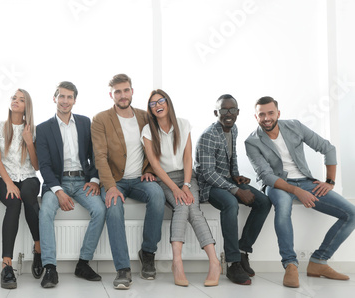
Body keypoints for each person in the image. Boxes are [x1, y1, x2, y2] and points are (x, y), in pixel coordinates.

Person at [245, 96, 355, 288]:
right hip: (278, 185)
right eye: (261, 114)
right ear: (256, 117)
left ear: (278, 113)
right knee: (284, 207)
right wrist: (296, 191)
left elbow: (328, 148)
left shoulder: (295, 126)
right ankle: (290, 264)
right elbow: (266, 175)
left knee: (351, 213)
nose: (266, 118)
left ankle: (319, 261)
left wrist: (330, 181)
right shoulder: (252, 141)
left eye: (270, 113)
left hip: (305, 181)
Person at [91, 74, 166, 290]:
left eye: (126, 90)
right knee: (113, 207)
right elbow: (100, 156)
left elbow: (156, 147)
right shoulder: (100, 119)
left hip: (140, 179)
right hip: (115, 180)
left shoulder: (145, 117)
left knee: (158, 195)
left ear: (132, 91)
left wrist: (150, 170)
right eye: (118, 92)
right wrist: (111, 187)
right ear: (111, 94)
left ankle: (148, 253)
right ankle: (122, 269)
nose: (122, 95)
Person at [141, 89, 221, 287]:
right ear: (150, 110)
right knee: (182, 205)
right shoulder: (147, 131)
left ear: (168, 103)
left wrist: (185, 185)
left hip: (186, 176)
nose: (157, 106)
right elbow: (155, 165)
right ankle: (177, 262)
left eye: (161, 101)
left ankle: (214, 262)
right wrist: (175, 189)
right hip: (164, 179)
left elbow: (187, 158)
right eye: (153, 104)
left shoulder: (183, 124)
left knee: (193, 207)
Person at [194, 94, 271, 285]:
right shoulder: (207, 136)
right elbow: (208, 173)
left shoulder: (233, 129)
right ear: (216, 113)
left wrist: (236, 176)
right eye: (223, 110)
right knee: (230, 203)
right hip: (209, 185)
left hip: (227, 180)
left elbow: (232, 156)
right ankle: (232, 263)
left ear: (237, 112)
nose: (228, 114)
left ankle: (243, 250)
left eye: (232, 109)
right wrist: (235, 190)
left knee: (264, 202)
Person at [36, 81, 105, 288]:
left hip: (83, 181)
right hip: (57, 182)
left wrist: (94, 180)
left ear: (75, 100)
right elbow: (44, 166)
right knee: (46, 210)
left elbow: (96, 155)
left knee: (100, 210)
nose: (65, 101)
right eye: (61, 96)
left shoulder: (85, 123)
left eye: (69, 97)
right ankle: (50, 268)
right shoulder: (43, 128)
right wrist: (58, 191)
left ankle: (83, 263)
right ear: (54, 98)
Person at [0, 88, 42, 289]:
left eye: (21, 99)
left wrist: (29, 142)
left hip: (28, 177)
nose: (16, 101)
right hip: (4, 178)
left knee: (28, 195)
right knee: (13, 202)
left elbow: (36, 166)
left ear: (27, 105)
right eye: (14, 98)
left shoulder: (34, 131)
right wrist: (9, 183)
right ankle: (6, 265)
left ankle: (38, 249)